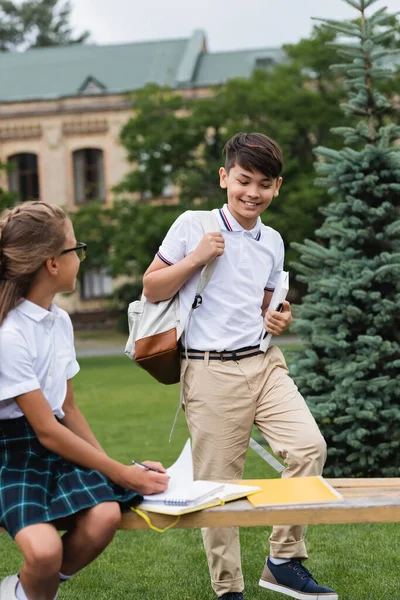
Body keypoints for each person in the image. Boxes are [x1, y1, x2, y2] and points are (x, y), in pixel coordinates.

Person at [143, 133, 338, 600]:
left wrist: (280, 317)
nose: (252, 193)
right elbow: (151, 287)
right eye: (244, 181)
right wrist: (197, 257)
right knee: (218, 488)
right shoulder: (193, 224)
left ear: (277, 187)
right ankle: (228, 590)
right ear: (224, 177)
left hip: (265, 363)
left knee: (309, 447)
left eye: (264, 185)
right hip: (209, 371)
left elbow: (269, 307)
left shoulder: (273, 241)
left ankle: (283, 560)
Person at [0, 201, 169, 600]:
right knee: (44, 552)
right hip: (11, 455)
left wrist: (114, 470)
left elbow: (68, 409)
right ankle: (32, 588)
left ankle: (26, 592)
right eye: (76, 249)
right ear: (51, 264)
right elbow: (46, 430)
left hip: (53, 446)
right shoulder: (9, 335)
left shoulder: (60, 320)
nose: (81, 257)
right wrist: (122, 474)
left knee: (106, 514)